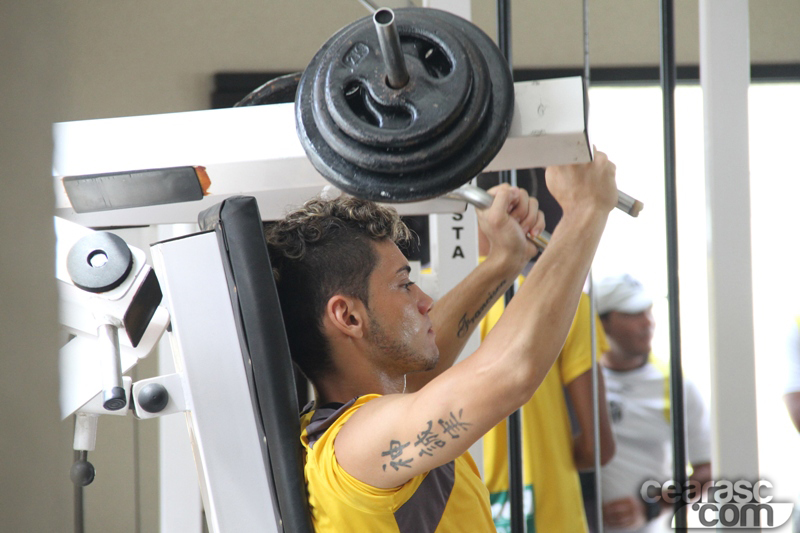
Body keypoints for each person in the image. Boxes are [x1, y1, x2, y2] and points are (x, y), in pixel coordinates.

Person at [263, 152, 618, 532]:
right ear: (349, 317)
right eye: (403, 284)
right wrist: (584, 211)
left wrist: (507, 259)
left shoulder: (361, 421)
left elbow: (429, 356)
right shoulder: (355, 445)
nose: (424, 301)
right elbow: (508, 373)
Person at [479, 243, 616, 532]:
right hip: (550, 510)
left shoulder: (420, 296)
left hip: (458, 506)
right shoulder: (566, 299)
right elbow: (598, 447)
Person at [589, 273, 711, 533]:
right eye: (633, 313)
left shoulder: (676, 386)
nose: (648, 323)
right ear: (602, 323)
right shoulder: (577, 382)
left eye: (648, 311)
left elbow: (708, 471)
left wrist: (650, 507)